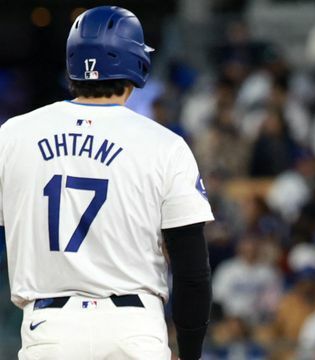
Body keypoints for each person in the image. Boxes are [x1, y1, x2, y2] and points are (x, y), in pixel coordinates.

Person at [0, 6, 214, 360]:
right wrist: (189, 353)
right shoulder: (163, 144)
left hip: (48, 331)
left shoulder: (13, 136)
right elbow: (193, 272)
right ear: (136, 64)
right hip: (133, 329)